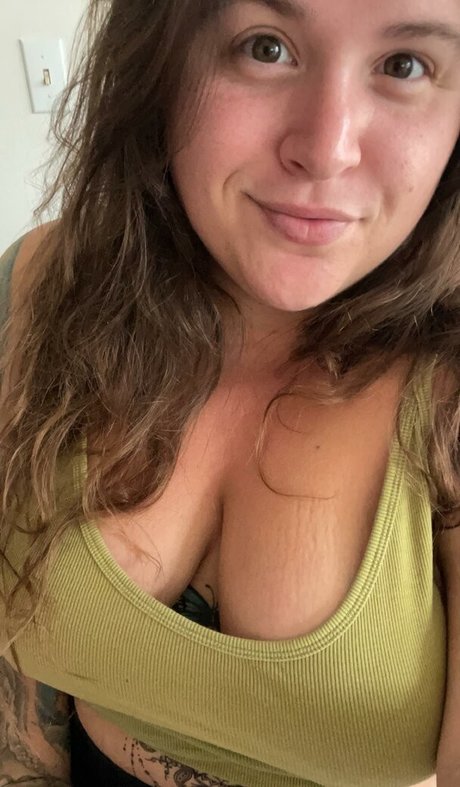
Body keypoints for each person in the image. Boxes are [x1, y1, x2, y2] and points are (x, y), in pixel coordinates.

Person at [0, 0, 459, 784]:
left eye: (404, 65)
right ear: (161, 62)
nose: (326, 149)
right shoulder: (44, 287)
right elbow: (21, 665)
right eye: (266, 47)